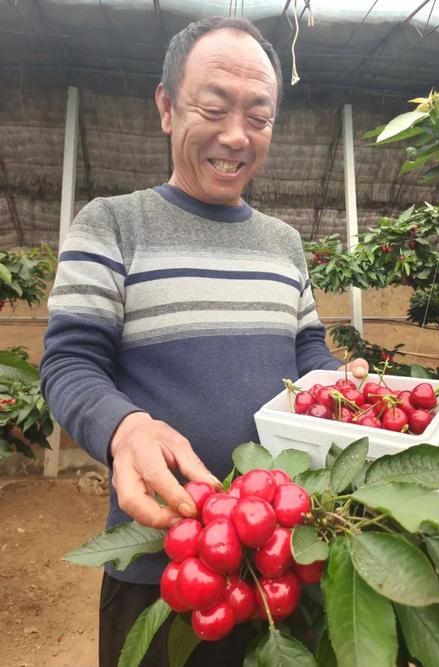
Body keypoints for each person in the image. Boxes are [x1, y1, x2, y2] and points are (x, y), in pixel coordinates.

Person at [40, 16, 368, 666]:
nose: (236, 135)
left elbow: (306, 355)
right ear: (167, 107)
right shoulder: (112, 225)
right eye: (212, 107)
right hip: (169, 565)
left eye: (260, 116)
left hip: (281, 554)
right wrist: (124, 427)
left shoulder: (284, 243)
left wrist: (342, 381)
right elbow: (71, 361)